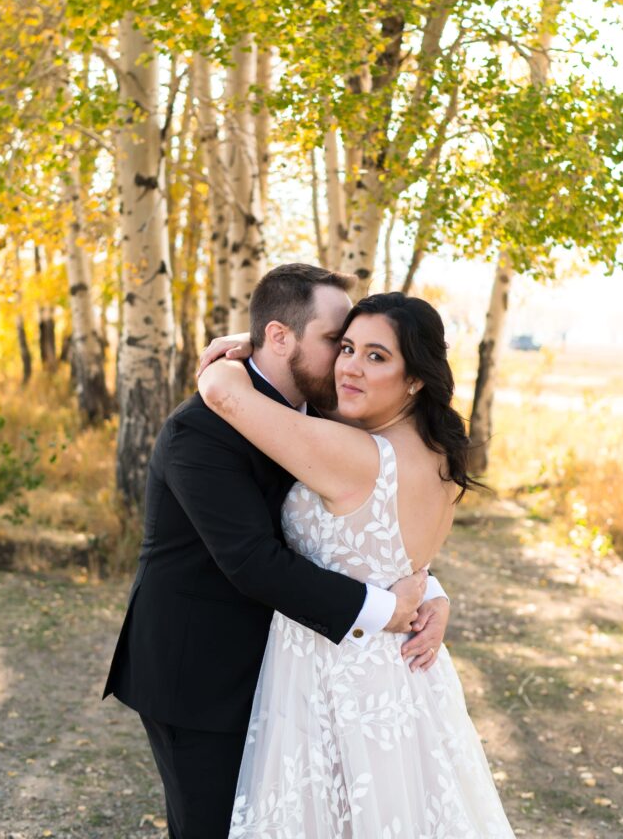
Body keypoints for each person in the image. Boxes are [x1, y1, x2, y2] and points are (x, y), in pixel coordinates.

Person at [103, 265, 450, 839]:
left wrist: (428, 590)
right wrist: (387, 611)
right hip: (200, 675)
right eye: (336, 343)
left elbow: (366, 526)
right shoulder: (201, 430)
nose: (345, 361)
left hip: (292, 672)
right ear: (281, 337)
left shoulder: (324, 415)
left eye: (357, 348)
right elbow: (252, 561)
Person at [198, 290, 516, 838]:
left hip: (334, 677)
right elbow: (390, 554)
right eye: (346, 348)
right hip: (407, 679)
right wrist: (435, 592)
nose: (350, 367)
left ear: (414, 377)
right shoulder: (435, 450)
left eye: (376, 356)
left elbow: (224, 395)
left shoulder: (355, 455)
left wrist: (246, 350)